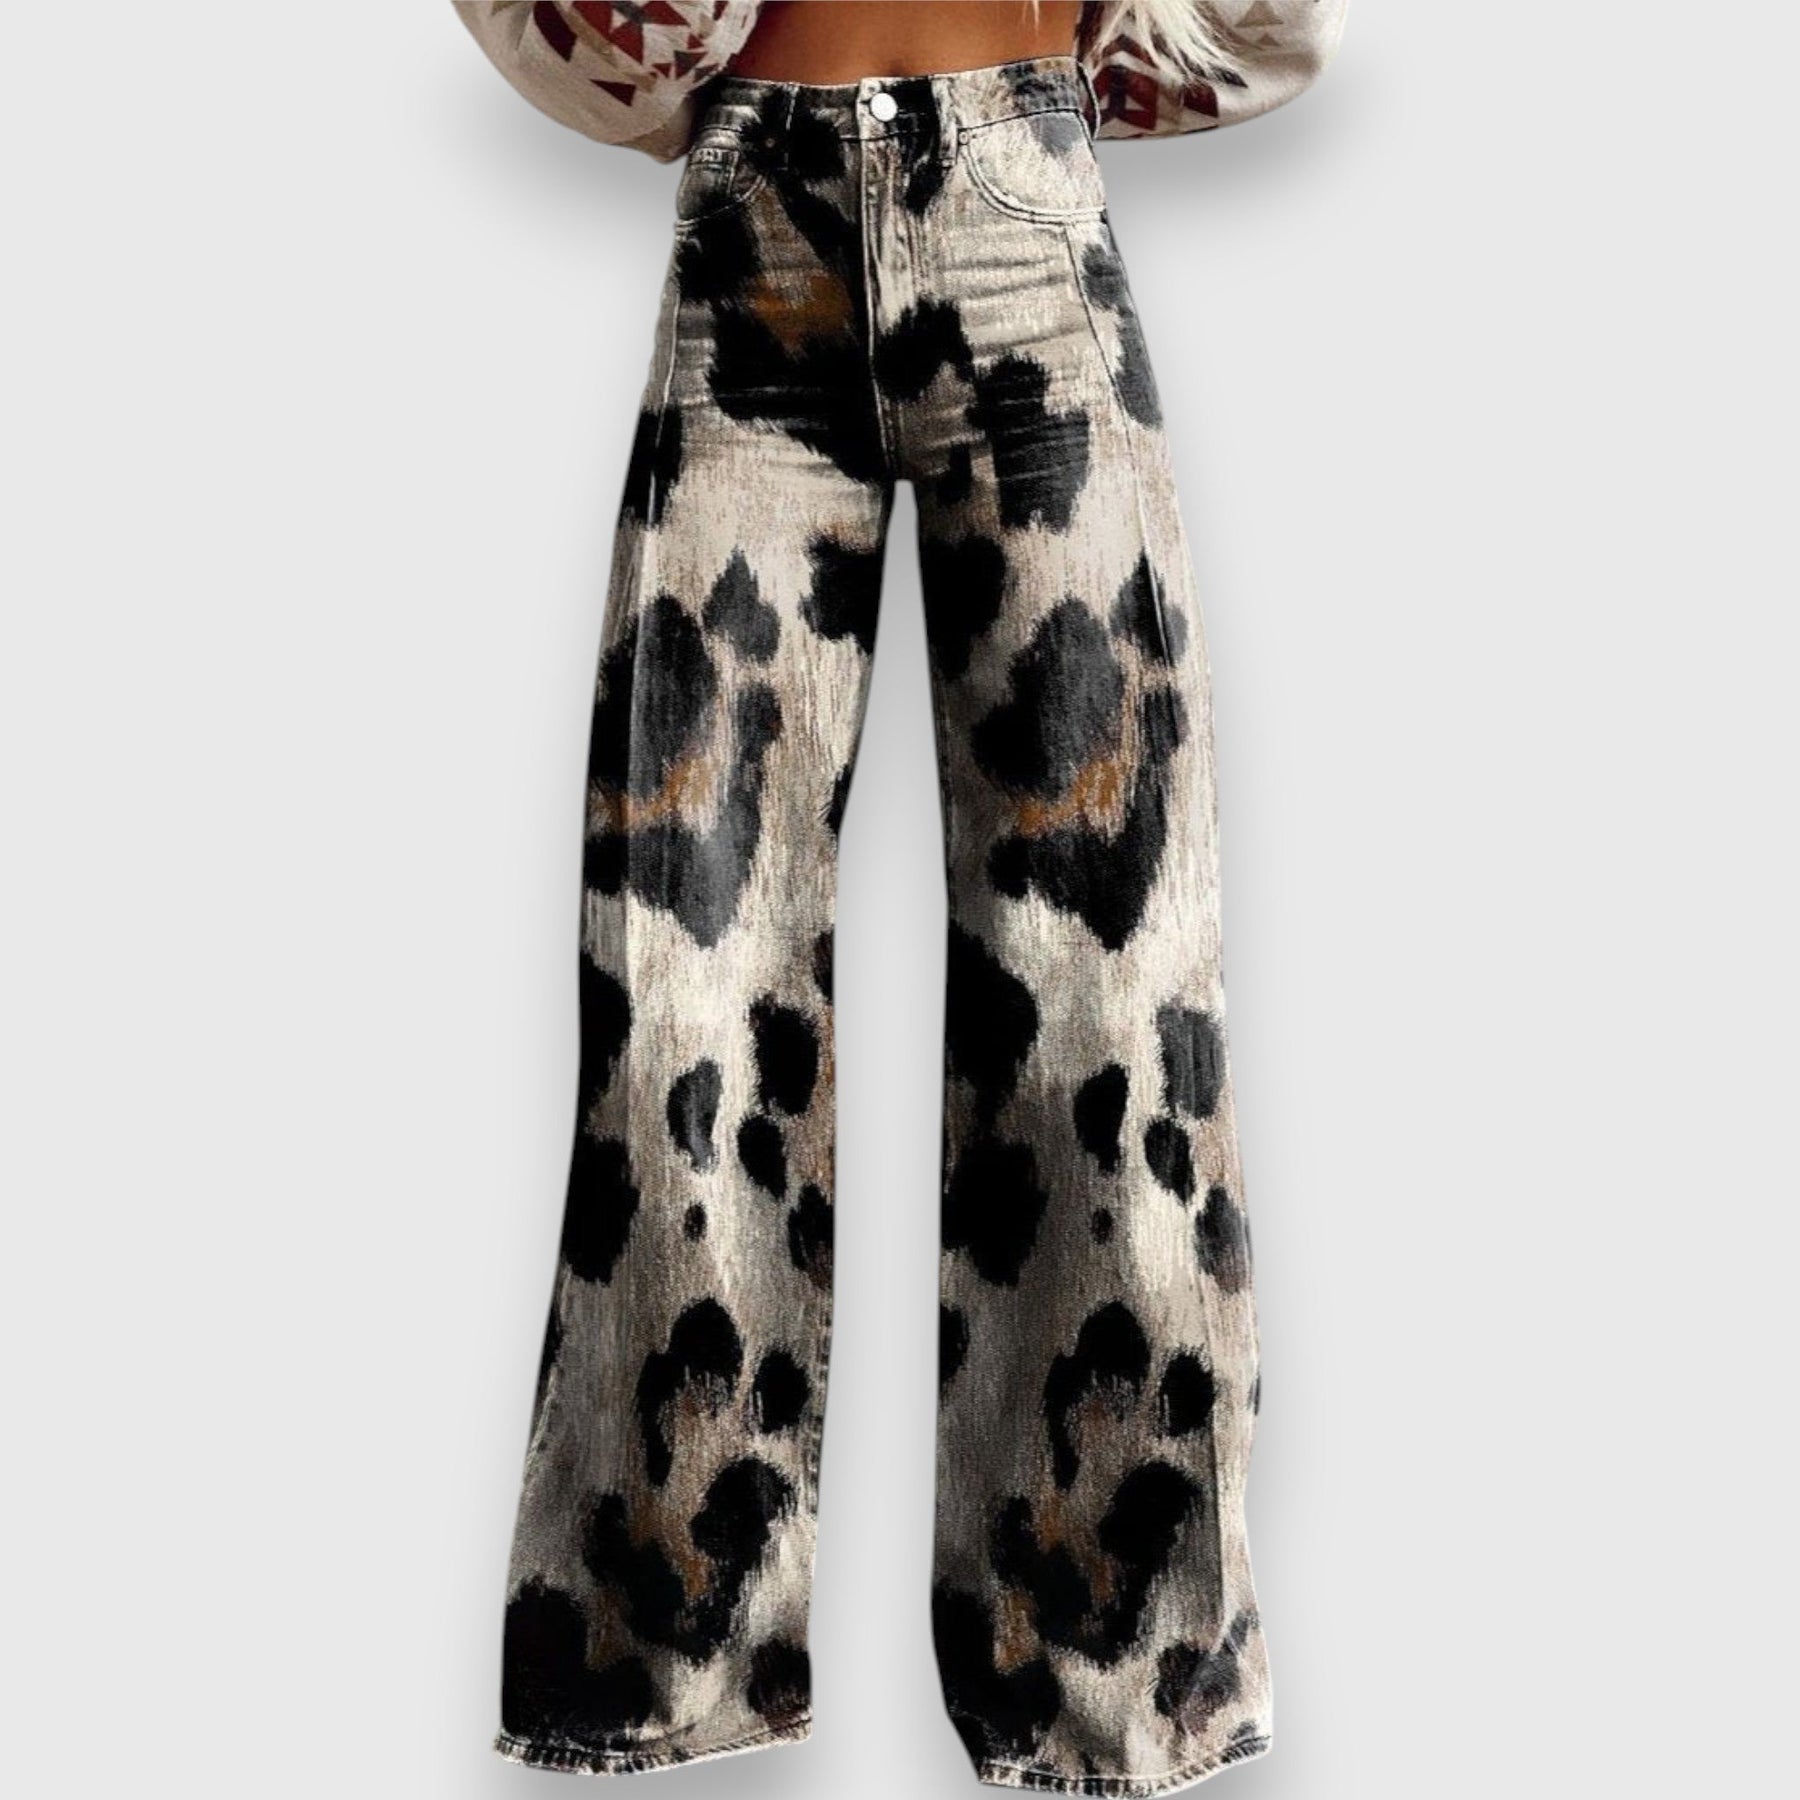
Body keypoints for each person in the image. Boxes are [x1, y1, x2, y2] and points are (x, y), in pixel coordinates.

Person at [451, 2, 1347, 1792]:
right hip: (751, 230)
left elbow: (1271, 25)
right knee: (680, 977)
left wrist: (1096, 60)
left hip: (1020, 202)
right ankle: (655, 1654)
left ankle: (1111, 1669)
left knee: (1106, 992)